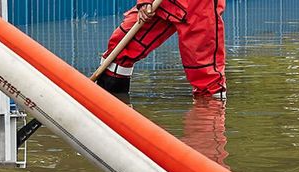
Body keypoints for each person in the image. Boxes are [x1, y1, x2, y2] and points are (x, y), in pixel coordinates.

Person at [95, 0, 227, 99]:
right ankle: (105, 111)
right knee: (120, 51)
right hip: (165, 3)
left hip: (199, 6)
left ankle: (208, 127)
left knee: (206, 75)